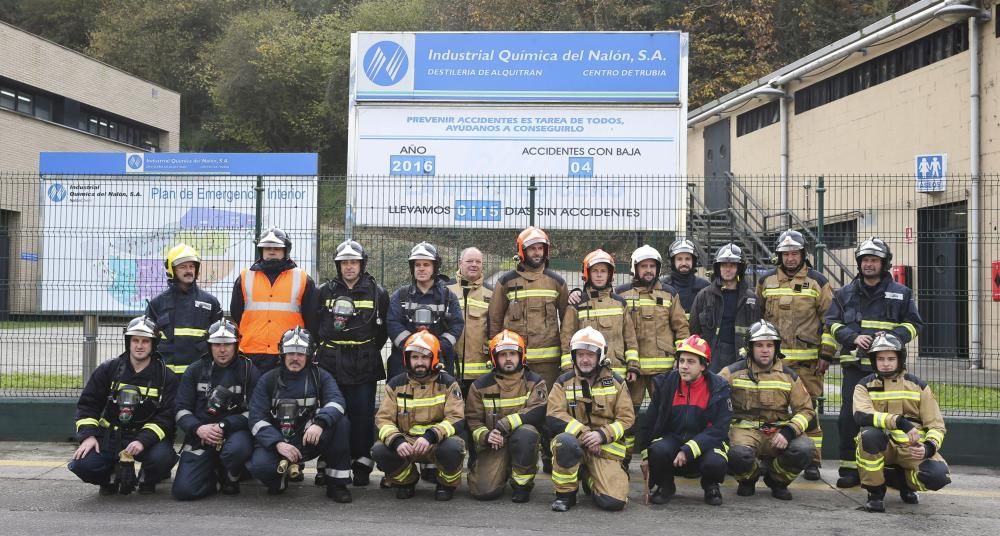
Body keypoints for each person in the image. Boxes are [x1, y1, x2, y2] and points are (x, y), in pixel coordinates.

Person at [826, 237, 923, 488]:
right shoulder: (844, 293)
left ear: (884, 263)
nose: (869, 264)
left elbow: (914, 324)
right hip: (855, 368)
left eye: (874, 260)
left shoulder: (901, 294)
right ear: (859, 263)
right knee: (849, 417)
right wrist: (853, 337)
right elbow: (831, 322)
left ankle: (893, 466)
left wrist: (891, 339)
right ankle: (850, 468)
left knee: (891, 416)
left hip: (889, 370)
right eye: (865, 260)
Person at [757, 230, 836, 480]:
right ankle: (769, 456)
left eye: (795, 253)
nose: (790, 258)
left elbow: (830, 321)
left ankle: (812, 461)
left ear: (803, 254)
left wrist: (826, 353)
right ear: (778, 256)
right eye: (786, 254)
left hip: (807, 363)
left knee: (808, 412)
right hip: (773, 364)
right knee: (770, 409)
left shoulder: (818, 282)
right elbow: (757, 319)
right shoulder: (766, 281)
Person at [70, 316, 178, 495]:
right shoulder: (109, 369)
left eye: (145, 341)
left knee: (163, 458)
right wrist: (88, 436)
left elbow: (166, 417)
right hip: (110, 436)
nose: (139, 346)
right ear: (128, 342)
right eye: (135, 340)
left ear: (153, 344)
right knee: (83, 464)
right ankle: (110, 476)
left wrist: (143, 440)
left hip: (144, 438)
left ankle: (146, 478)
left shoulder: (166, 377)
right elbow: (88, 406)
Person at [489, 226, 567, 473]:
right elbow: (495, 320)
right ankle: (520, 457)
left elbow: (568, 321)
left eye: (540, 248)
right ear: (522, 252)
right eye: (532, 248)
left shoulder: (557, 282)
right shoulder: (506, 282)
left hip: (549, 363)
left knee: (548, 410)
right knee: (519, 409)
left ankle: (549, 455)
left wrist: (566, 358)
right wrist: (494, 356)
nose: (537, 253)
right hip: (515, 362)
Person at [245, 327, 352, 502]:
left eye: (301, 353)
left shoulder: (320, 376)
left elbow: (337, 402)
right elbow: (256, 418)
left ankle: (337, 484)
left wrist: (320, 423)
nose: (295, 358)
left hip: (308, 438)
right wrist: (277, 443)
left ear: (309, 355)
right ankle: (279, 478)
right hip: (278, 440)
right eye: (291, 353)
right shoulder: (268, 380)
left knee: (341, 423)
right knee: (260, 467)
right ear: (282, 354)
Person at [314, 239, 389, 487]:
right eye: (344, 262)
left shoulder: (377, 293)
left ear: (362, 264)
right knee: (331, 414)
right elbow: (316, 327)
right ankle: (328, 464)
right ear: (338, 265)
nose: (349, 267)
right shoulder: (324, 292)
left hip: (363, 364)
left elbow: (380, 333)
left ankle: (361, 465)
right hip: (330, 365)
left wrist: (362, 351)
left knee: (362, 417)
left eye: (353, 262)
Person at [853, 332, 950, 512]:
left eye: (891, 358)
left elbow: (936, 425)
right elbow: (862, 415)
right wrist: (899, 422)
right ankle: (875, 493)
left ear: (900, 359)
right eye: (880, 358)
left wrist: (928, 448)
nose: (886, 363)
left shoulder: (919, 386)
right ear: (874, 360)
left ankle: (907, 485)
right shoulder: (863, 386)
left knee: (938, 476)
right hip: (884, 445)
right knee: (869, 436)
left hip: (913, 449)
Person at [720, 320, 815, 500]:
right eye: (759, 345)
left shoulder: (789, 377)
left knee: (804, 448)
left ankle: (777, 480)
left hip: (777, 432)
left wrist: (788, 432)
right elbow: (712, 400)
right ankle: (748, 479)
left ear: (776, 347)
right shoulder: (731, 373)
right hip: (743, 431)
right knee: (737, 454)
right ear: (749, 347)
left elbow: (806, 410)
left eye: (770, 345)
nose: (765, 350)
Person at [559, 249, 638, 464]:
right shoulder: (577, 304)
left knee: (621, 417)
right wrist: (569, 369)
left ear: (611, 275)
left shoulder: (620, 303)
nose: (600, 275)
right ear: (587, 274)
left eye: (604, 271)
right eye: (595, 271)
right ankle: (586, 459)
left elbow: (629, 337)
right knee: (590, 415)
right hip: (585, 375)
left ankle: (623, 461)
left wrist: (632, 366)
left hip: (617, 374)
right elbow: (566, 338)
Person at [547, 327, 634, 512]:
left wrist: (602, 435)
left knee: (614, 503)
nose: (585, 360)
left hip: (604, 449)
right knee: (565, 443)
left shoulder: (617, 383)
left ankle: (588, 476)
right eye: (580, 355)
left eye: (590, 355)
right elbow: (554, 414)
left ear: (600, 356)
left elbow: (627, 419)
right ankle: (565, 495)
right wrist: (585, 434)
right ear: (573, 356)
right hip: (574, 442)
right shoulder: (563, 382)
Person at [372, 331, 467, 501]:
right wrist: (397, 441)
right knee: (380, 450)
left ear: (435, 358)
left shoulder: (447, 383)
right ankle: (406, 481)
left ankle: (445, 484)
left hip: (437, 442)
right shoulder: (395, 385)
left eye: (424, 357)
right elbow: (383, 419)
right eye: (415, 357)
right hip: (406, 442)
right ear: (407, 359)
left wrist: (431, 436)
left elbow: (456, 418)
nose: (419, 362)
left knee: (453, 447)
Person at [172, 319, 260, 500]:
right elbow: (181, 409)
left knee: (238, 449)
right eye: (217, 344)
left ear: (236, 345)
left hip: (234, 433)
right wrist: (198, 429)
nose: (222, 349)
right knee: (184, 491)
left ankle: (232, 474)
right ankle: (212, 473)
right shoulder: (195, 371)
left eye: (227, 344)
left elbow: (256, 411)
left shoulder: (248, 371)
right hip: (201, 435)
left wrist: (224, 425)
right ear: (209, 345)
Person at [639, 335, 731, 506]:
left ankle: (710, 485)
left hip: (706, 443)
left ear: (703, 365)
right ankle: (665, 486)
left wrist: (689, 449)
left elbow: (719, 429)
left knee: (716, 461)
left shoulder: (718, 387)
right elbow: (649, 422)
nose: (684, 367)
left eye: (691, 362)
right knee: (657, 450)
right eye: (681, 361)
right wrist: (646, 455)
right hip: (674, 438)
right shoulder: (666, 384)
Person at [616, 245, 690, 459]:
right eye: (643, 266)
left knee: (665, 414)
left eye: (652, 266)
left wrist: (681, 358)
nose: (648, 270)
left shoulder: (669, 294)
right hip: (633, 370)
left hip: (663, 370)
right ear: (635, 268)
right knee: (627, 414)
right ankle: (624, 457)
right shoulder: (621, 294)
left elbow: (681, 328)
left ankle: (662, 457)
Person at [466, 330, 547, 502]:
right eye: (503, 354)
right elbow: (473, 420)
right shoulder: (479, 386)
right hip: (494, 444)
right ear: (495, 358)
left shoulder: (535, 381)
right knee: (484, 492)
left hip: (520, 438)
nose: (508, 358)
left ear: (521, 355)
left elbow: (539, 410)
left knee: (527, 433)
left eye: (512, 353)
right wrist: (487, 436)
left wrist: (507, 423)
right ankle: (500, 469)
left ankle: (522, 485)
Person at [231, 227, 319, 373]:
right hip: (251, 351)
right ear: (261, 251)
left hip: (289, 352)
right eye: (267, 248)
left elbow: (311, 319)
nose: (271, 251)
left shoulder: (302, 279)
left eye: (277, 248)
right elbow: (236, 312)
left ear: (285, 251)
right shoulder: (245, 277)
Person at [387, 242, 464, 380]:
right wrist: (412, 348)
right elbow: (392, 324)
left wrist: (437, 347)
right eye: (417, 265)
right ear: (412, 268)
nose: (421, 269)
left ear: (435, 267)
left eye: (426, 265)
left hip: (439, 360)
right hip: (404, 362)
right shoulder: (401, 296)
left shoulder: (447, 297)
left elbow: (456, 325)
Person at [145, 243, 222, 375]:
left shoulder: (210, 303)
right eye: (183, 267)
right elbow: (147, 341)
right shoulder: (156, 304)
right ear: (172, 270)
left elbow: (220, 341)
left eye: (192, 266)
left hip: (199, 377)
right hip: (166, 377)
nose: (189, 270)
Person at [690, 243, 761, 373]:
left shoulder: (751, 299)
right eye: (724, 265)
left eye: (732, 265)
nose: (728, 269)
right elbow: (694, 331)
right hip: (711, 356)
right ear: (718, 268)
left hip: (741, 356)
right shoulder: (704, 296)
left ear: (739, 268)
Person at [446, 247, 494, 391]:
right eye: (469, 261)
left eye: (478, 262)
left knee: (476, 412)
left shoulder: (491, 292)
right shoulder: (445, 288)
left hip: (480, 369)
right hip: (450, 366)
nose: (474, 264)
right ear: (460, 263)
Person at [661, 238, 710, 316]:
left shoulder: (705, 287)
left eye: (687, 259)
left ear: (693, 261)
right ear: (673, 262)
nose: (684, 263)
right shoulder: (662, 286)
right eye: (679, 259)